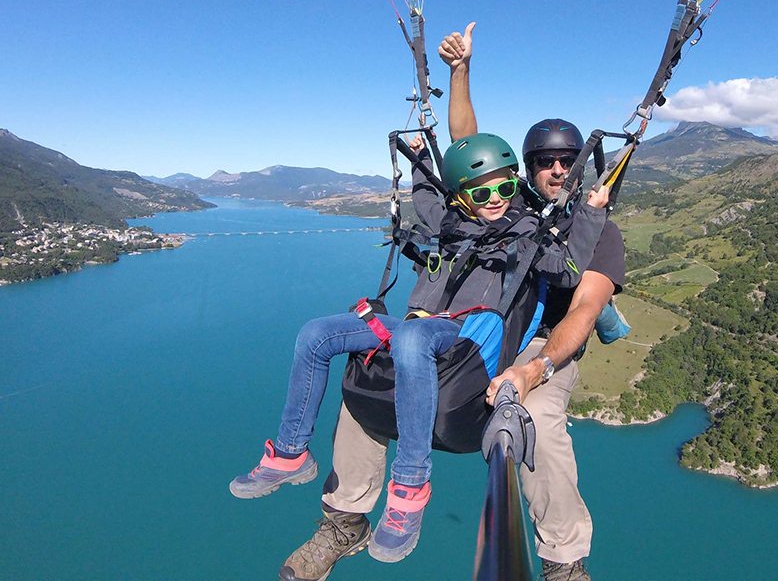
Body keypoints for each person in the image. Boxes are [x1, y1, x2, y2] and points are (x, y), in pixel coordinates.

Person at [274, 24, 625, 581]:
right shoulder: (502, 207)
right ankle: (345, 521)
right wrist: (460, 71)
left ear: (580, 167)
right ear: (527, 171)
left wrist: (534, 370)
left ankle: (563, 562)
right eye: (544, 161)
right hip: (472, 327)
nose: (557, 169)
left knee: (534, 417)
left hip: (541, 343)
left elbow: (583, 310)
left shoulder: (595, 230)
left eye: (567, 161)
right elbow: (466, 147)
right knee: (371, 374)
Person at [233, 131, 610, 566]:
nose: (496, 199)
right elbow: (430, 193)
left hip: (470, 337)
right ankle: (290, 452)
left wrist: (591, 216)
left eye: (506, 188)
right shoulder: (448, 222)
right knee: (317, 334)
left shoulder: (529, 233)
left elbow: (566, 272)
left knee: (411, 338)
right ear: (461, 196)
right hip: (425, 327)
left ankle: (410, 486)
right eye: (482, 191)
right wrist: (417, 157)